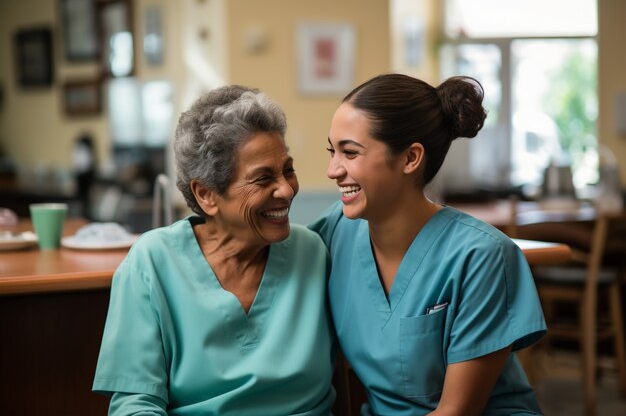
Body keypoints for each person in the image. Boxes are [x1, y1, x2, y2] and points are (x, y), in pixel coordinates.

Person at [310, 73, 547, 416]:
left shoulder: (481, 257)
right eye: (333, 151)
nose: (333, 170)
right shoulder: (337, 230)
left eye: (350, 152)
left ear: (410, 158)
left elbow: (456, 412)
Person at [93, 85, 336, 415]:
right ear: (206, 194)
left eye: (288, 170)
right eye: (263, 178)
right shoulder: (152, 264)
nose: (286, 189)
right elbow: (136, 404)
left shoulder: (314, 253)